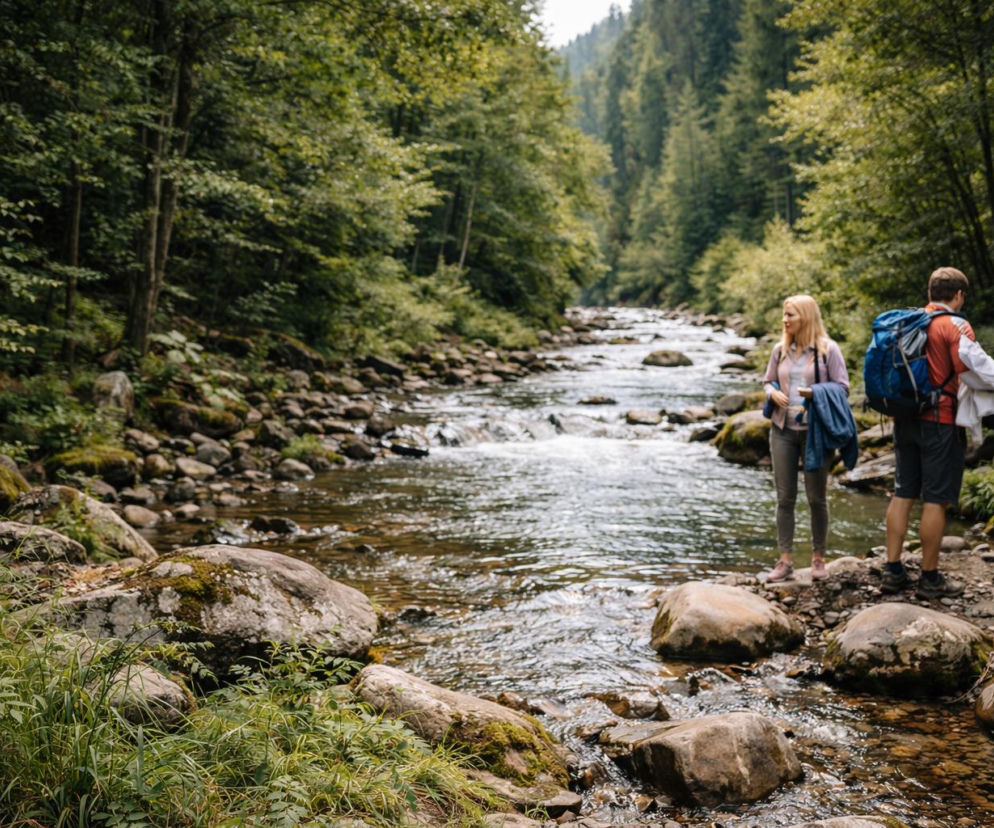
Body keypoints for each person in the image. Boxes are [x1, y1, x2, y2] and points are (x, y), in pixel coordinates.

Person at [882, 267, 986, 598]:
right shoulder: (954, 324)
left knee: (903, 492)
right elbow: (976, 370)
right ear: (958, 296)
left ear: (929, 293)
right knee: (937, 499)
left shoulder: (906, 323)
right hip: (939, 422)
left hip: (904, 418)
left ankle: (893, 571)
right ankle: (929, 578)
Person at [763, 295, 850, 582]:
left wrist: (816, 393)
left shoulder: (828, 350)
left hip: (816, 432)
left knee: (817, 498)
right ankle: (785, 560)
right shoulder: (780, 350)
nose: (785, 320)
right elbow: (767, 380)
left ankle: (818, 558)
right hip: (782, 430)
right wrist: (771, 392)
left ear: (806, 317)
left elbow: (842, 387)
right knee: (785, 498)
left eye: (791, 315)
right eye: (784, 315)